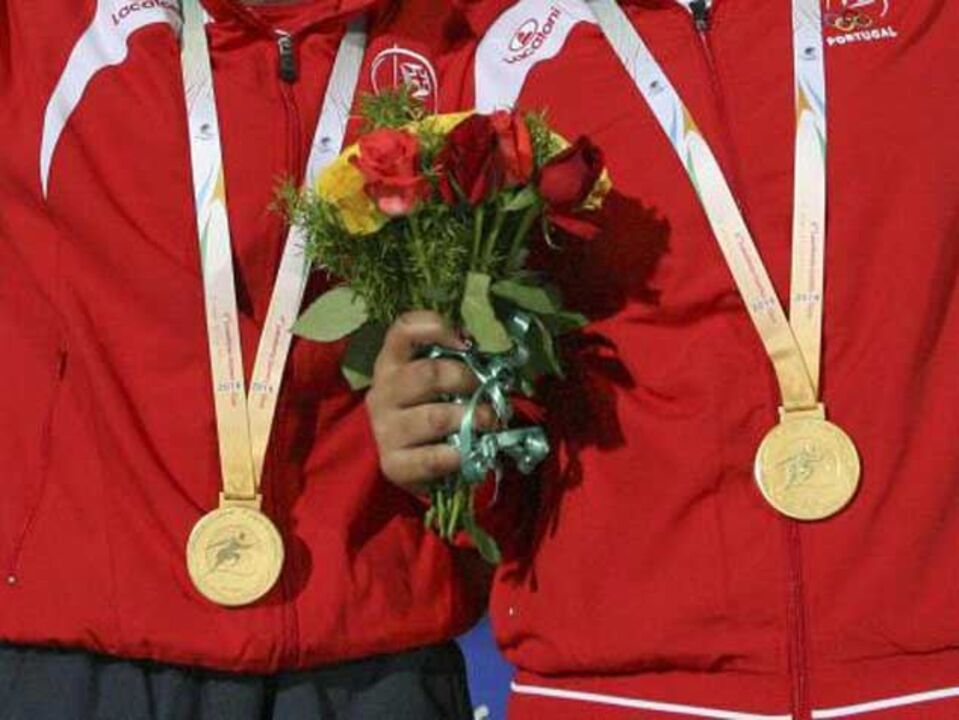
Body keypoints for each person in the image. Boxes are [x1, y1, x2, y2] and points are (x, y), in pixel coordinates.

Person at [367, 0, 959, 718]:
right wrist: (443, 437)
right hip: (618, 689)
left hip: (930, 679)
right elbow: (500, 428)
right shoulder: (481, 50)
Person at [0, 0, 485, 718]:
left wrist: (472, 414)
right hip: (86, 648)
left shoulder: (465, 33)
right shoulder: (47, 24)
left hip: (376, 647)